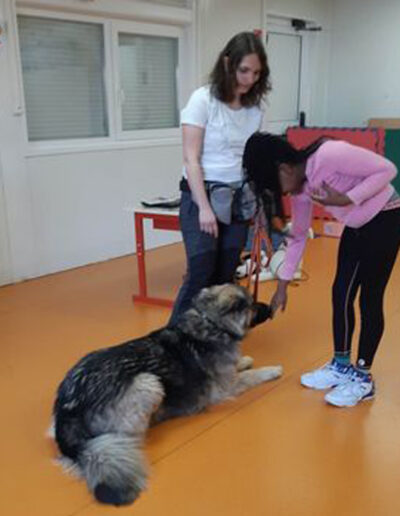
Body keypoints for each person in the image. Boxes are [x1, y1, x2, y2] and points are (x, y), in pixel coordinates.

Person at [246, 132, 400, 407]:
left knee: (369, 298)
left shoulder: (330, 155)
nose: (283, 194)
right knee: (340, 293)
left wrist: (346, 199)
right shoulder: (300, 188)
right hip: (356, 227)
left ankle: (363, 378)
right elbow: (299, 234)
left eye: (278, 186)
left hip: (385, 219)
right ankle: (341, 365)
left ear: (284, 168)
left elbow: (388, 169)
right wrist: (282, 284)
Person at [168, 32, 271, 325]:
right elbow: (191, 158)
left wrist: (261, 203)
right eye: (244, 70)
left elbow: (255, 157)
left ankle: (214, 342)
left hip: (237, 198)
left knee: (225, 274)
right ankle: (172, 345)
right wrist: (203, 207)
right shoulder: (203, 100)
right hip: (202, 195)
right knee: (200, 274)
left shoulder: (256, 108)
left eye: (256, 72)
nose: (249, 78)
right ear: (228, 63)